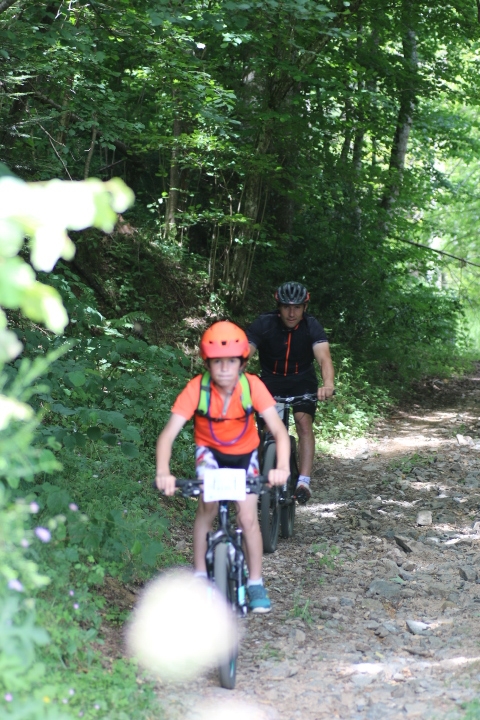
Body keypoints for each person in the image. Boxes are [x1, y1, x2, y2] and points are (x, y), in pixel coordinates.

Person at [155, 321, 290, 613]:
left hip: (245, 456)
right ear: (207, 363)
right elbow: (167, 435)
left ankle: (255, 582)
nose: (225, 368)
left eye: (231, 361)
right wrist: (163, 472)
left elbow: (279, 432)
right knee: (207, 508)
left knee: (248, 518)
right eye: (217, 362)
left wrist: (281, 467)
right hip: (210, 455)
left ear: (242, 363)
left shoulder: (251, 386)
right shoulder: (197, 388)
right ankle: (200, 576)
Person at [246, 281, 334, 503]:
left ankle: (303, 481)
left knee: (303, 423)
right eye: (286, 307)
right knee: (267, 431)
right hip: (271, 380)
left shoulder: (311, 326)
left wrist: (328, 384)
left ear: (305, 307)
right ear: (279, 307)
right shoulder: (264, 323)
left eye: (297, 307)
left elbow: (324, 358)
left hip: (302, 380)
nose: (291, 313)